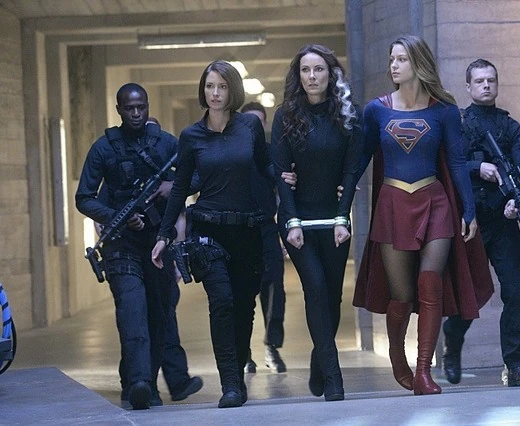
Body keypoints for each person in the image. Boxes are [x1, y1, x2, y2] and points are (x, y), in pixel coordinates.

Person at [353, 35, 494, 396]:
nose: (394, 66)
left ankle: (423, 372)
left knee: (430, 285)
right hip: (393, 204)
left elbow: (457, 162)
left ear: (418, 63)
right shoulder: (376, 110)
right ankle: (397, 357)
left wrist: (469, 210)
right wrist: (341, 202)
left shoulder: (443, 110)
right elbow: (361, 157)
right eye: (392, 59)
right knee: (401, 294)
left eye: (401, 59)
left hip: (435, 202)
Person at [151, 60, 271, 408]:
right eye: (209, 86)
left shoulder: (249, 126)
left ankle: (237, 371)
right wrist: (164, 235)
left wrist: (297, 181)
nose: (215, 93)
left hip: (247, 230)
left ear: (232, 90)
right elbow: (179, 188)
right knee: (222, 302)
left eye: (221, 86)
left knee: (244, 307)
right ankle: (230, 384)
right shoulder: (191, 136)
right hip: (208, 233)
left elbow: (267, 167)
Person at [76, 83, 185, 410]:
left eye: (141, 107)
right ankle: (138, 383)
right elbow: (84, 198)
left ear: (148, 106)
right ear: (119, 110)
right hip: (121, 245)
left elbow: (196, 175)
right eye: (129, 108)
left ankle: (148, 383)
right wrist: (117, 217)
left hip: (157, 243)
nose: (136, 114)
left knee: (159, 314)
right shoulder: (104, 148)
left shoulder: (166, 143)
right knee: (132, 310)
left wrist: (172, 186)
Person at [270, 44, 363, 402]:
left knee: (333, 297)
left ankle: (318, 361)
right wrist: (291, 221)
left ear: (331, 73)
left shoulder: (348, 115)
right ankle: (334, 377)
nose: (312, 76)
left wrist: (343, 216)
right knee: (316, 288)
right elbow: (281, 173)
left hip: (334, 218)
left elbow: (351, 171)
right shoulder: (286, 115)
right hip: (299, 221)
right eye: (306, 70)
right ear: (299, 76)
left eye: (319, 69)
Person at [442, 58, 520, 387]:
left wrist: (514, 201)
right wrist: (476, 168)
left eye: (491, 80)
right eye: (480, 81)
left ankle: (518, 365)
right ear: (468, 86)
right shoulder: (458, 125)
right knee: (470, 293)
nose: (486, 85)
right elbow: (447, 164)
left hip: (502, 221)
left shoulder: (510, 128)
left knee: (517, 290)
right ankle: (453, 339)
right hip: (469, 222)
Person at [240, 102, 287, 374]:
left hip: (267, 229)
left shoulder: (271, 154)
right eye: (249, 122)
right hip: (239, 232)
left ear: (265, 124)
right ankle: (244, 353)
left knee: (274, 290)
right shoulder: (232, 154)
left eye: (258, 122)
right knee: (242, 294)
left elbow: (284, 189)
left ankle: (272, 346)